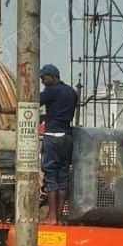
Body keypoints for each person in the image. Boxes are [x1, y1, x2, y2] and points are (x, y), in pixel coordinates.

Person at [39, 64, 78, 223]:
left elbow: (31, 103)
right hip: (66, 137)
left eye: (44, 77)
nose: (42, 81)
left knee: (51, 176)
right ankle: (60, 217)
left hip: (53, 137)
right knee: (63, 177)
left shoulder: (51, 91)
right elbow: (59, 113)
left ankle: (52, 216)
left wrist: (3, 109)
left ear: (53, 77)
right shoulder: (71, 92)